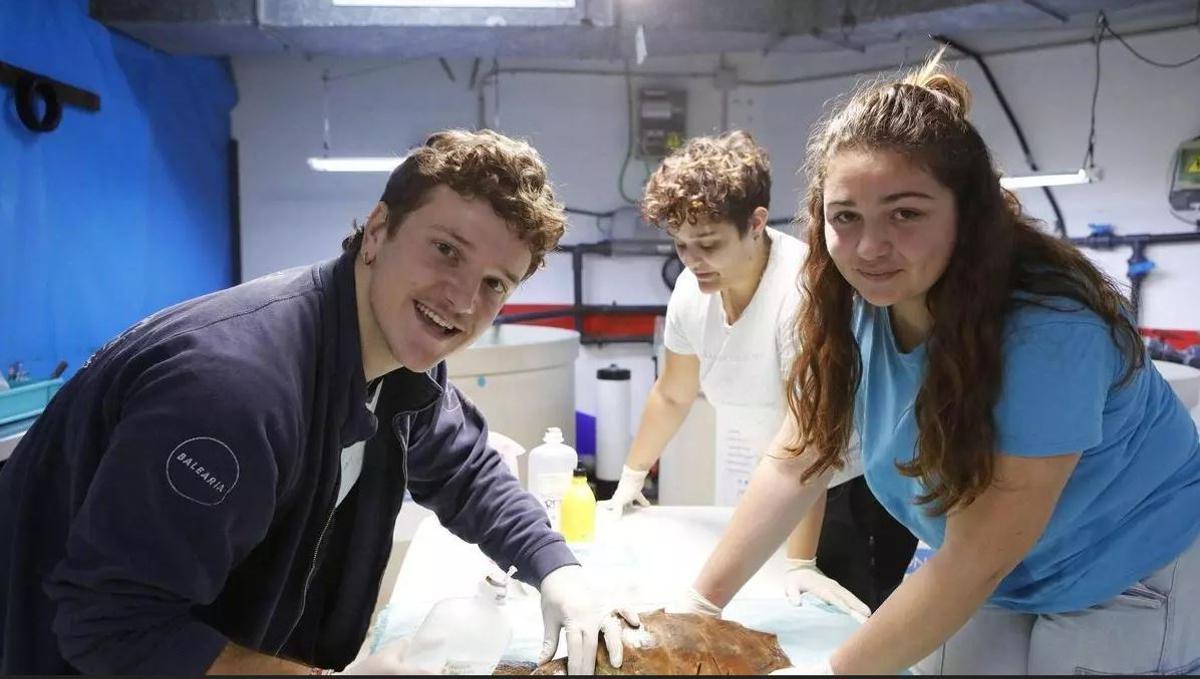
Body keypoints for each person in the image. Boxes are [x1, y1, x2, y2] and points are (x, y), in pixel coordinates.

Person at [0, 129, 636, 675]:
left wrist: (558, 571)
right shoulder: (234, 393)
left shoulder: (394, 359)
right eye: (446, 250)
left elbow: (465, 470)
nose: (463, 300)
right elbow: (111, 629)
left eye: (495, 283)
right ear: (379, 231)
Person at [673, 55, 1200, 675]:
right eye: (847, 217)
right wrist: (695, 609)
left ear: (968, 216)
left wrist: (831, 673)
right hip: (1001, 565)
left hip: (1126, 563)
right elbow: (799, 457)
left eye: (906, 214)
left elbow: (976, 561)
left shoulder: (1050, 330)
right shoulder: (861, 301)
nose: (870, 247)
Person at [606, 130, 914, 619]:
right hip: (784, 480)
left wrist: (801, 561)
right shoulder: (693, 288)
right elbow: (672, 393)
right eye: (681, 245)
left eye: (708, 243)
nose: (692, 260)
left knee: (843, 627)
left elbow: (811, 441)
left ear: (756, 223)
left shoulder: (804, 294)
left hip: (853, 492)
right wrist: (631, 476)